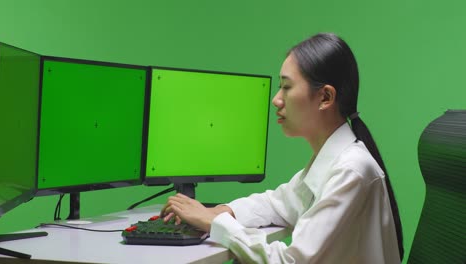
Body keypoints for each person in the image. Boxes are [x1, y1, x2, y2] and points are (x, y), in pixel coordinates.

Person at [161, 33, 404, 263]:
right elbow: (279, 203)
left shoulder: (351, 171)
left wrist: (217, 223)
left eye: (286, 87)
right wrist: (221, 211)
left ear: (325, 98)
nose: (276, 99)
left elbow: (289, 261)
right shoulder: (335, 161)